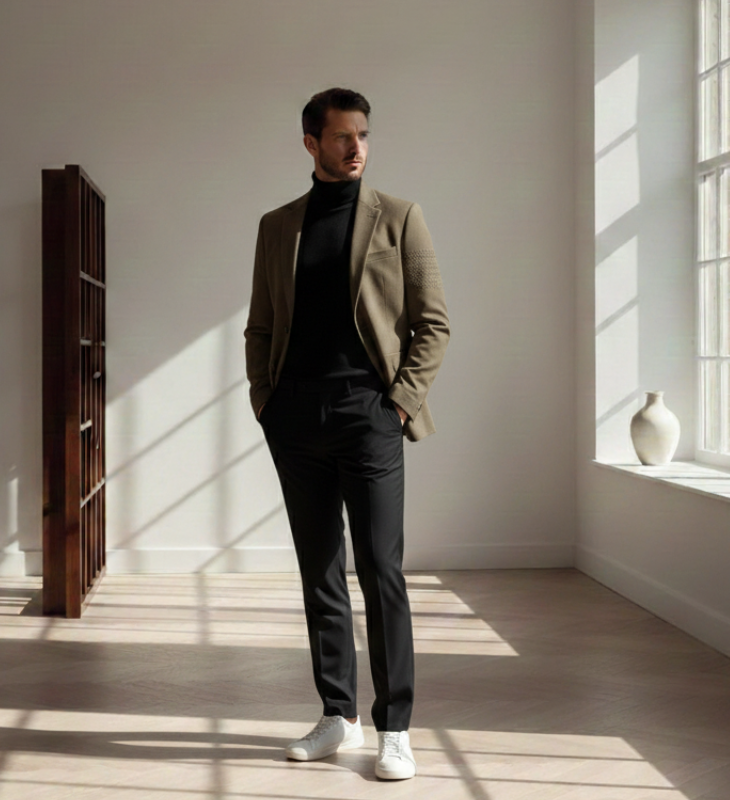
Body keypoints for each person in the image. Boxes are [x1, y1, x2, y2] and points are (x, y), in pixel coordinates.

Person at [244, 87, 449, 780]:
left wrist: (397, 404)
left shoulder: (399, 217)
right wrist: (266, 402)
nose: (356, 147)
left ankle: (396, 725)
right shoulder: (278, 226)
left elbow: (433, 323)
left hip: (370, 417)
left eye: (363, 135)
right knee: (320, 573)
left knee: (380, 571)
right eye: (341, 137)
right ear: (311, 143)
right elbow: (261, 325)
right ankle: (338, 713)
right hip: (295, 420)